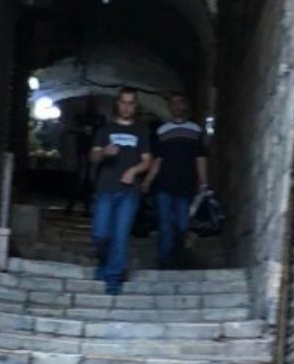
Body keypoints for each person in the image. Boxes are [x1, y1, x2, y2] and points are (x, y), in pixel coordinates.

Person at [90, 88, 153, 295]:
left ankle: (114, 277)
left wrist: (133, 171)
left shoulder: (141, 131)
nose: (127, 107)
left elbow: (147, 161)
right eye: (123, 102)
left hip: (129, 191)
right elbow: (93, 157)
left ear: (135, 106)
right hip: (105, 188)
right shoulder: (105, 130)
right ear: (117, 104)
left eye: (131, 103)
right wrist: (104, 153)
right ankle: (106, 263)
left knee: (120, 235)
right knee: (100, 233)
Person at [143, 93, 209, 269]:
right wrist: (148, 181)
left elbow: (200, 157)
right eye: (173, 103)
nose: (176, 106)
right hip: (164, 184)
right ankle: (165, 262)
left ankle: (177, 253)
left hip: (186, 185)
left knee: (182, 224)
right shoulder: (162, 131)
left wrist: (203, 181)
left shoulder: (195, 130)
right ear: (169, 107)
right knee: (164, 224)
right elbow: (158, 159)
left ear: (185, 106)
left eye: (180, 102)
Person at [65, 95, 106, 216]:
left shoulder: (98, 119)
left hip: (91, 152)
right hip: (84, 151)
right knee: (83, 178)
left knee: (88, 179)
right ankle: (77, 206)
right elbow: (70, 129)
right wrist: (82, 130)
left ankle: (84, 207)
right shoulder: (83, 117)